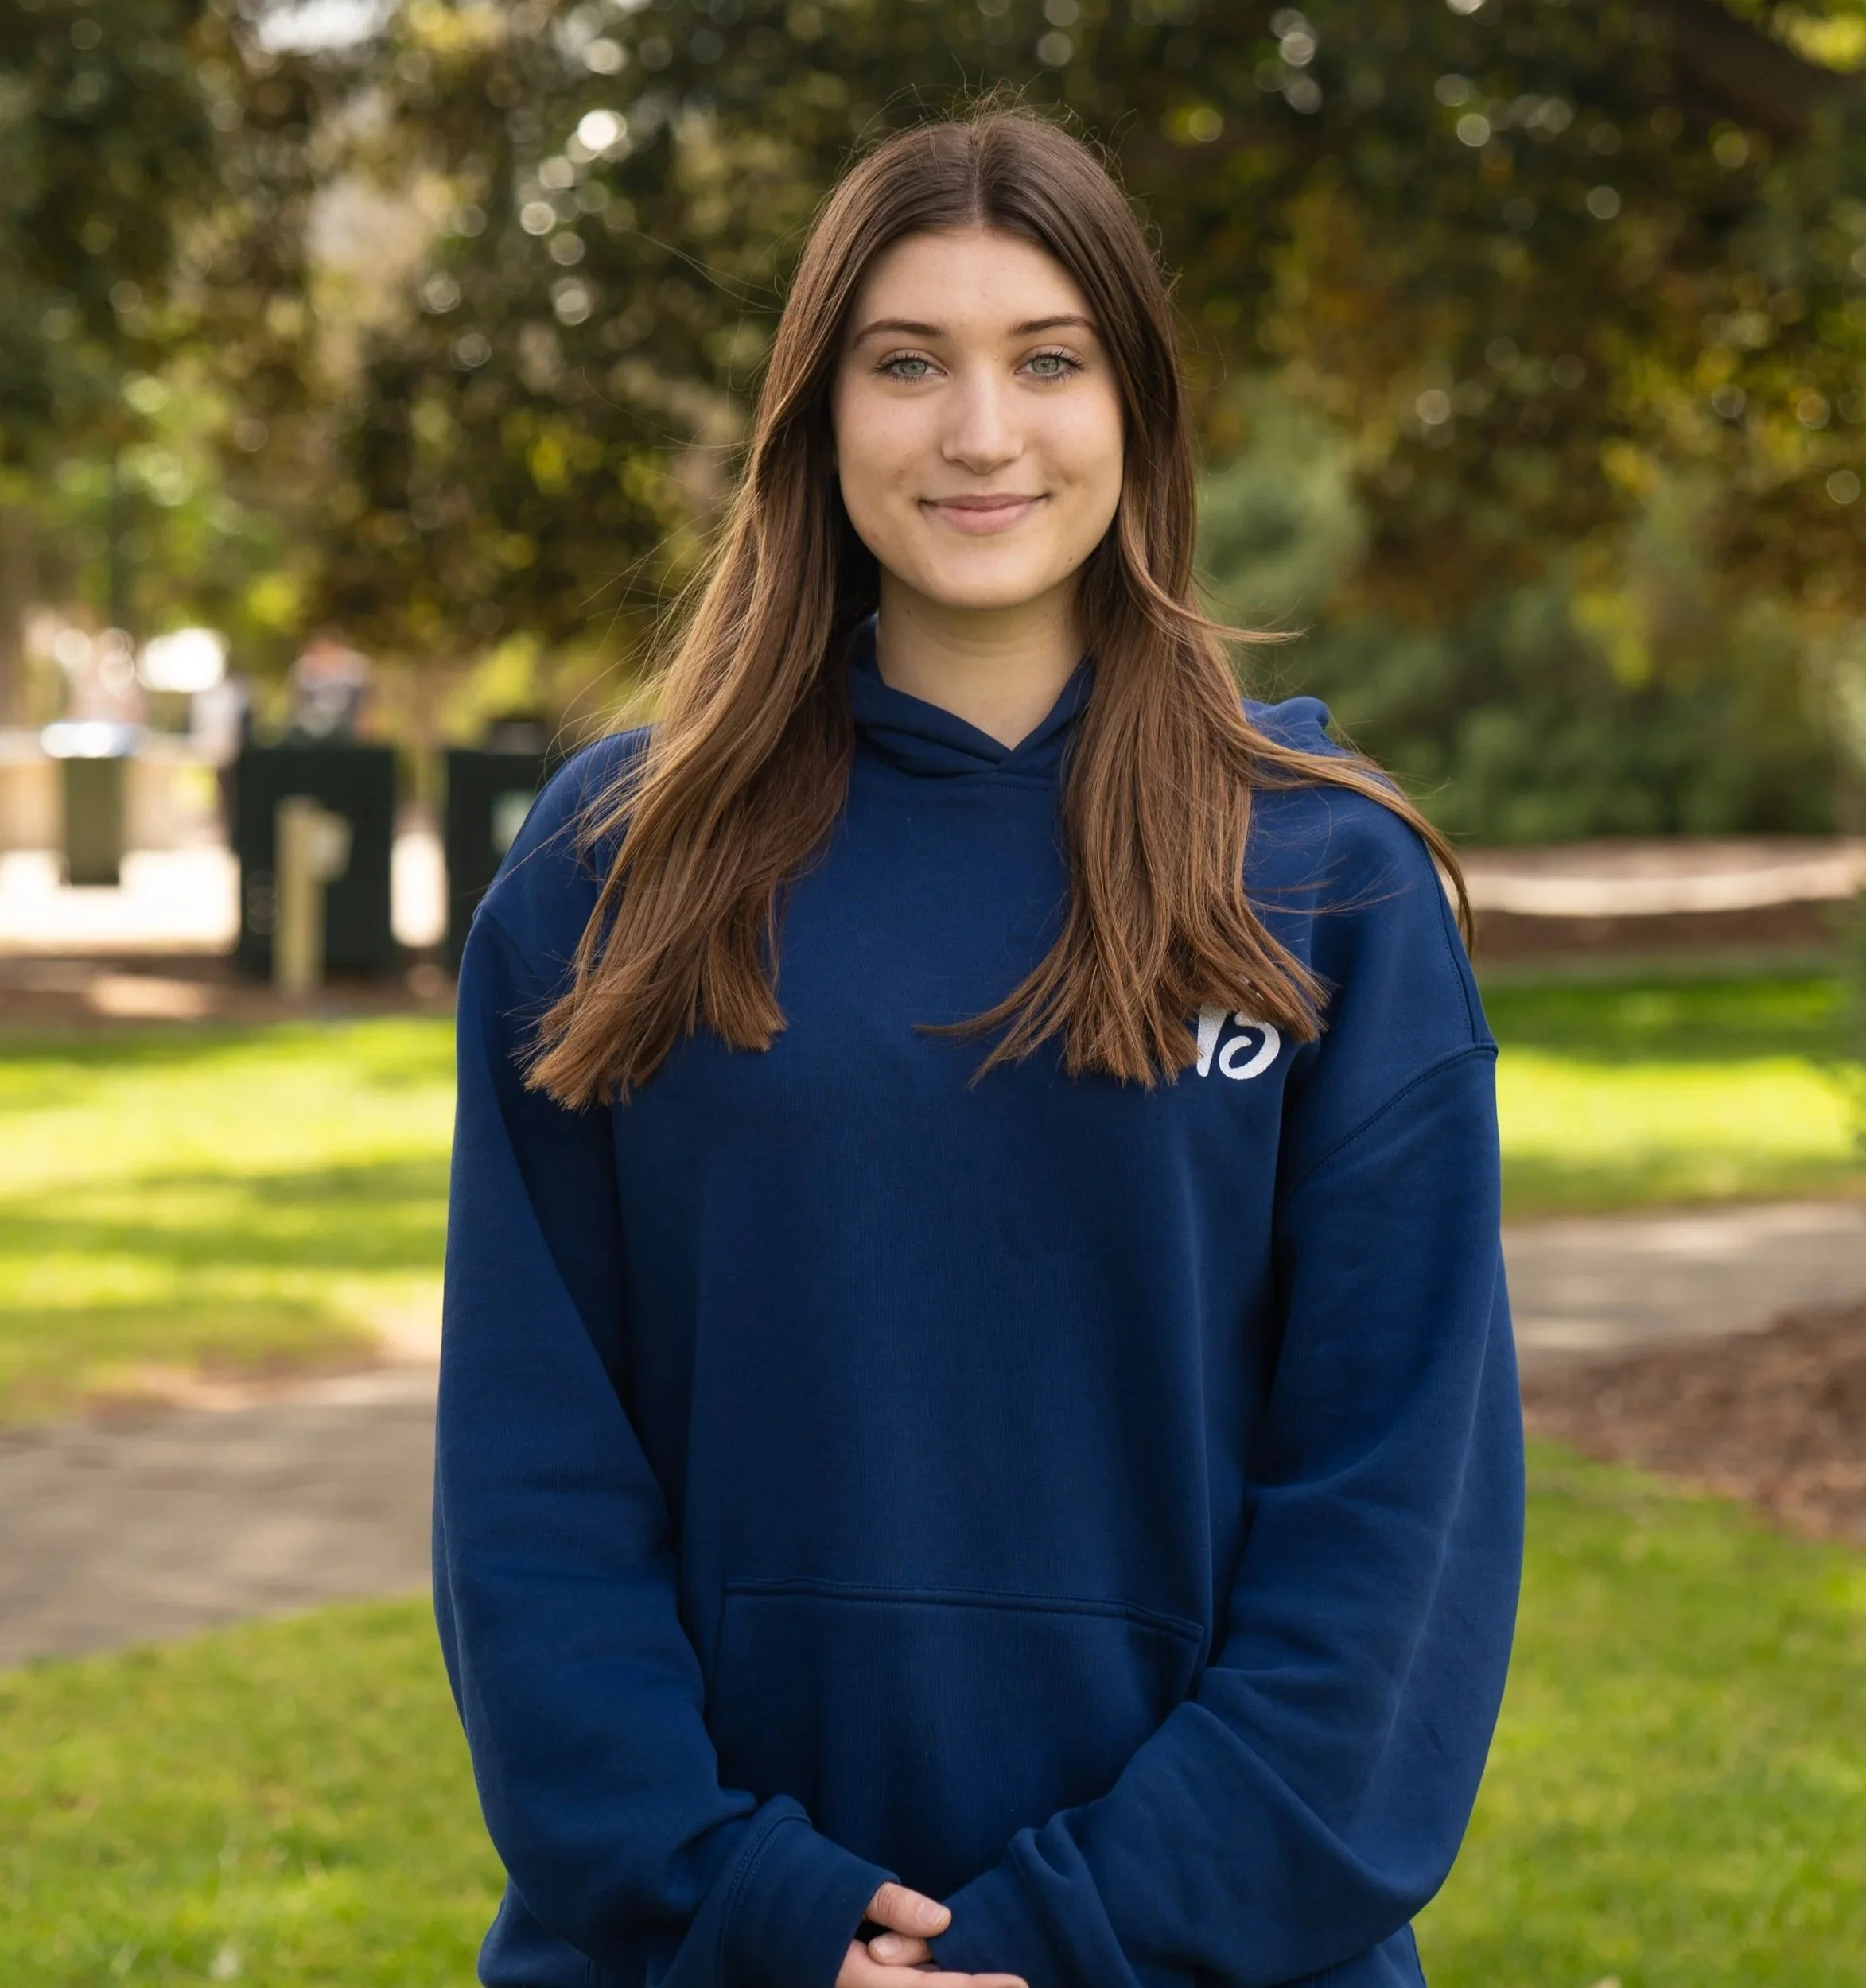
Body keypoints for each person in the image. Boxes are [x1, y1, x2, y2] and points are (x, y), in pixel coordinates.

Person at [435, 105, 1523, 1988]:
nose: (979, 433)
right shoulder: (619, 865)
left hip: (1207, 1948)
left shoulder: (1324, 880)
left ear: (1136, 410)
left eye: (1046, 359)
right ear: (816, 413)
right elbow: (533, 1482)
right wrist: (749, 1902)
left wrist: (1081, 1929)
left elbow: (1391, 1531)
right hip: (709, 1947)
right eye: (906, 363)